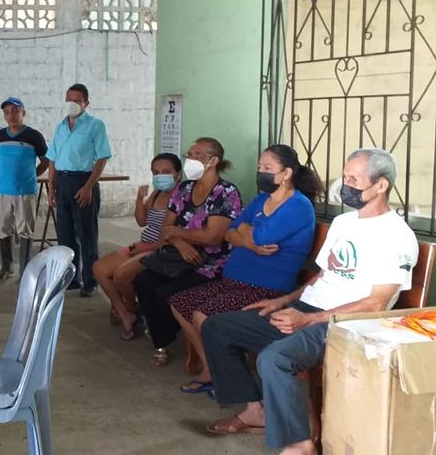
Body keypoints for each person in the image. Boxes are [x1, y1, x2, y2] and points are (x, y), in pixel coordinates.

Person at [202, 148, 417, 455]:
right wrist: (283, 301)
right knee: (217, 327)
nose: (345, 185)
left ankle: (300, 444)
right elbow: (323, 275)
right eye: (344, 177)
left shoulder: (396, 235)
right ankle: (254, 410)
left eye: (353, 179)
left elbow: (376, 303)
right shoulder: (344, 222)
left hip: (346, 324)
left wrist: (308, 320)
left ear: (380, 185)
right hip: (306, 310)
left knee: (274, 359)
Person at [169, 145, 320, 397]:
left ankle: (229, 380)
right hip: (234, 280)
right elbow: (230, 232)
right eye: (259, 167)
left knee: (203, 315)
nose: (260, 172)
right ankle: (212, 370)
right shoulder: (261, 200)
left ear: (286, 173)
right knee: (179, 303)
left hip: (266, 288)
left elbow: (260, 236)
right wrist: (248, 241)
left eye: (268, 168)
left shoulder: (298, 206)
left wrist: (245, 233)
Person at [133, 137, 242, 366]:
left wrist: (178, 233)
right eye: (189, 154)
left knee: (164, 292)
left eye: (197, 154)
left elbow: (213, 237)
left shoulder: (225, 192)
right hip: (178, 257)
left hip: (211, 264)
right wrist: (180, 242)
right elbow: (166, 229)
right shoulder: (184, 189)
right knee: (143, 281)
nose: (190, 159)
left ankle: (166, 335)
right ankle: (161, 342)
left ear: (213, 161)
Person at [93, 153, 181, 338]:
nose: (160, 176)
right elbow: (142, 221)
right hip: (143, 244)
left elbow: (168, 238)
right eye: (156, 172)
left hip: (160, 249)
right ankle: (126, 313)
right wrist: (139, 198)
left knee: (120, 275)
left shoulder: (180, 198)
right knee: (99, 268)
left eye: (166, 171)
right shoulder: (157, 192)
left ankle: (133, 309)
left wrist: (145, 249)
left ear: (178, 174)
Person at [46, 83, 112, 296]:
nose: (72, 103)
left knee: (87, 235)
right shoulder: (60, 127)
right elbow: (52, 159)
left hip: (83, 181)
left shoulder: (95, 125)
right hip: (63, 181)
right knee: (65, 235)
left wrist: (88, 187)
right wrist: (51, 188)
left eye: (77, 100)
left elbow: (102, 158)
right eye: (69, 99)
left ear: (86, 103)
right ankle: (70, 278)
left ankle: (90, 281)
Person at [0, 97, 49, 280]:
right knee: (3, 227)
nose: (11, 115)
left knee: (25, 229)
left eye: (15, 111)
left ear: (23, 113)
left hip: (25, 191)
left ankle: (25, 270)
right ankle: (6, 267)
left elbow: (46, 160)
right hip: (3, 190)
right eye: (7, 112)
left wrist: (32, 175)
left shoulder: (33, 136)